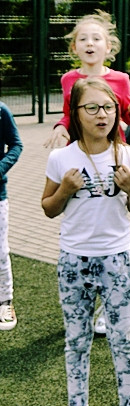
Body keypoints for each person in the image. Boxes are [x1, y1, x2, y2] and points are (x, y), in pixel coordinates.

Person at [41, 78, 130, 406]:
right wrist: (65, 190)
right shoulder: (61, 158)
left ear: (117, 112)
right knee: (77, 341)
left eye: (108, 107)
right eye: (92, 108)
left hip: (117, 259)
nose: (101, 115)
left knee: (124, 344)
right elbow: (48, 207)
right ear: (76, 113)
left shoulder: (128, 156)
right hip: (73, 260)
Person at [43, 11, 130, 150]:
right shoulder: (67, 79)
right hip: (78, 148)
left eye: (96, 39)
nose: (89, 43)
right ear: (74, 48)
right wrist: (61, 126)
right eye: (83, 39)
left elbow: (127, 116)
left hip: (113, 149)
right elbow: (69, 114)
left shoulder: (121, 79)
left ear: (108, 47)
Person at [0, 90, 23, 331]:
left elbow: (16, 144)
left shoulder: (1, 110)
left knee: (0, 251)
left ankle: (4, 300)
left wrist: (0, 168)